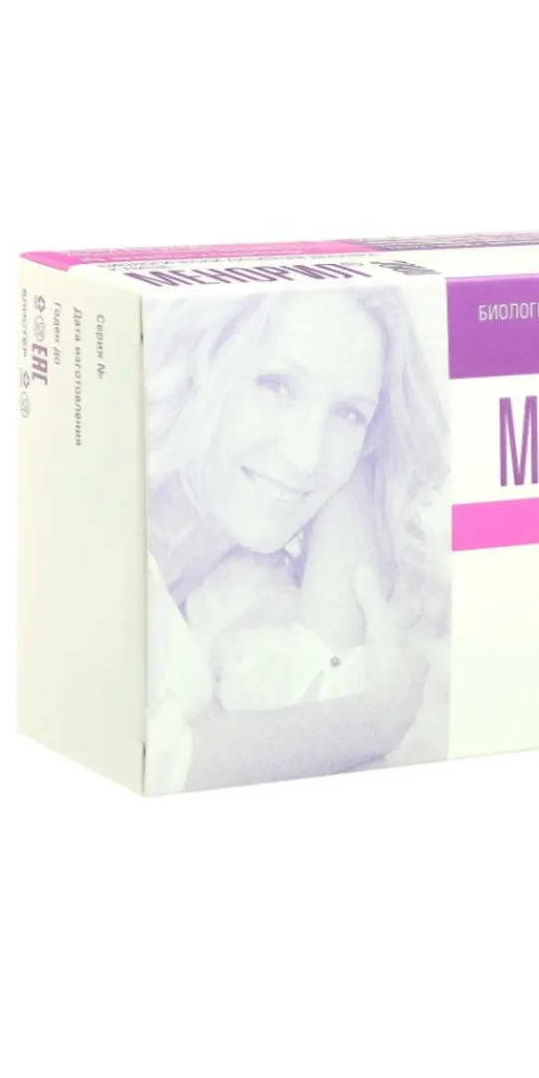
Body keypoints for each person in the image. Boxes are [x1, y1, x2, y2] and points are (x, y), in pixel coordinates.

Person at [142, 282, 450, 793]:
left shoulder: (239, 585)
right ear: (200, 366)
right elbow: (157, 764)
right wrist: (375, 719)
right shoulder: (92, 540)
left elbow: (318, 731)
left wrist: (359, 462)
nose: (306, 455)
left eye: (349, 414)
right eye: (277, 385)